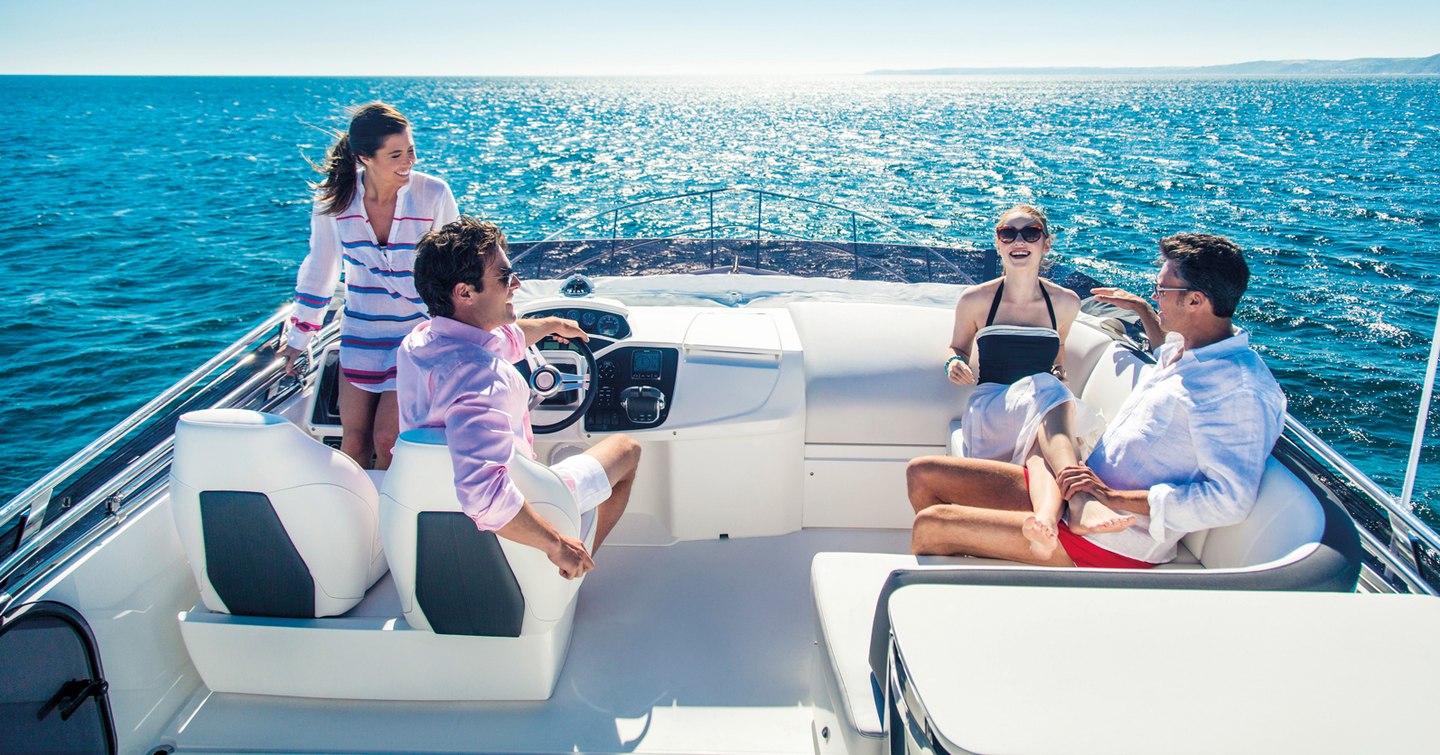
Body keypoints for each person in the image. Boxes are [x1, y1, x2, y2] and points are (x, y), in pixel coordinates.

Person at [909, 233, 1286, 567]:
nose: (1155, 299)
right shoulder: (1187, 352)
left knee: (933, 525)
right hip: (1079, 494)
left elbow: (1229, 500)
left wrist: (1114, 497)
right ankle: (988, 564)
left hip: (1115, 539)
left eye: (1161, 292)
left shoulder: (1238, 390)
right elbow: (1165, 356)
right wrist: (1141, 310)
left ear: (1195, 301)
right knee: (922, 473)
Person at [397, 217, 641, 579]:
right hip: (525, 505)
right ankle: (576, 565)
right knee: (627, 450)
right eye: (504, 277)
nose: (516, 284)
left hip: (429, 509)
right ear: (464, 292)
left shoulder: (419, 342)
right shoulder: (482, 380)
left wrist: (551, 324)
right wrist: (558, 545)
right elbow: (483, 496)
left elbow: (504, 339)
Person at [940, 205, 1132, 560]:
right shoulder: (976, 300)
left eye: (1030, 233)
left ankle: (1044, 519)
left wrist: (1059, 374)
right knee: (1046, 388)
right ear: (998, 245)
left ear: (1045, 244)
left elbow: (1057, 353)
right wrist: (954, 362)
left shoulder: (1065, 302)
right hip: (991, 406)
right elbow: (958, 348)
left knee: (1040, 454)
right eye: (1007, 233)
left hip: (1039, 407)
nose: (1018, 241)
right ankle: (1082, 500)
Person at [281, 102, 460, 470]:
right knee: (354, 442)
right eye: (396, 154)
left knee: (388, 440)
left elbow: (456, 265)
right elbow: (321, 268)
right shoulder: (335, 202)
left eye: (410, 150)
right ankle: (360, 520)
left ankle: (387, 523)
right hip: (361, 335)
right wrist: (298, 340)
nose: (408, 161)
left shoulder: (434, 194)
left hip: (416, 339)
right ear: (365, 157)